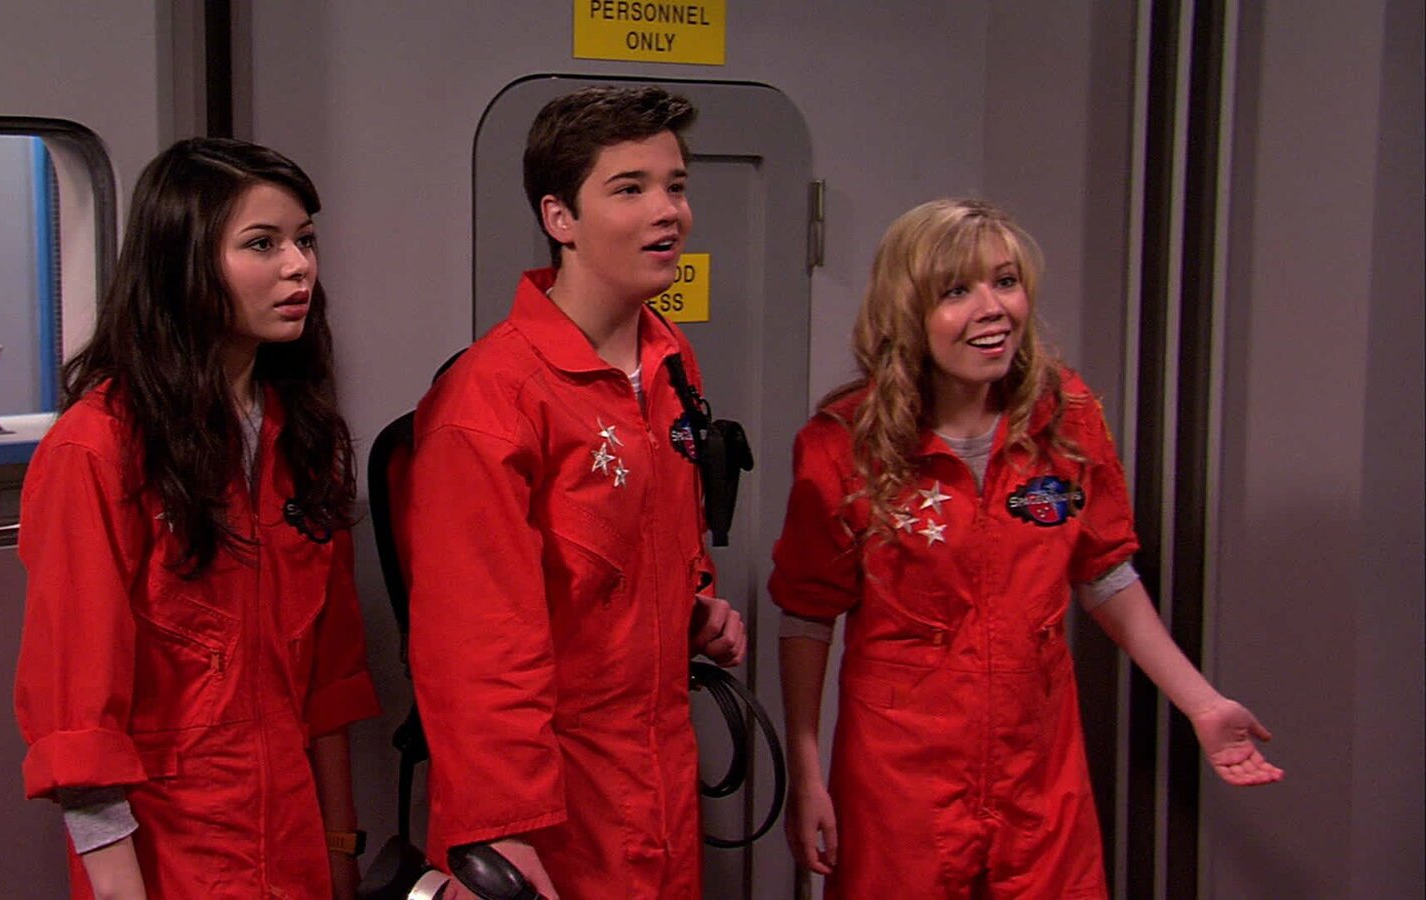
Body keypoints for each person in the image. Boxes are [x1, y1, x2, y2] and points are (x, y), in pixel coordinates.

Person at [771, 198, 1284, 898]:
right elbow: (807, 615)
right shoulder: (843, 444)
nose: (993, 309)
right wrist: (807, 775)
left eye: (1006, 282)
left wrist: (1200, 703)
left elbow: (1105, 574)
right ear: (907, 311)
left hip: (1038, 771)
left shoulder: (1065, 418)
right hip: (902, 780)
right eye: (957, 291)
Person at [13, 137, 382, 899]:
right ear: (183, 261)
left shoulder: (300, 437)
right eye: (262, 244)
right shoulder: (99, 447)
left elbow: (329, 680)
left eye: (305, 241)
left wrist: (340, 850)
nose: (298, 267)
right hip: (172, 849)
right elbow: (76, 708)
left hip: (292, 840)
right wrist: (118, 887)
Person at [403, 85, 746, 899]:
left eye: (675, 186)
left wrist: (692, 607)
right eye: (629, 188)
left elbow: (647, 543)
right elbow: (475, 651)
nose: (667, 212)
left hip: (657, 775)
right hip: (551, 805)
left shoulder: (670, 363)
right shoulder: (492, 400)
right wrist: (501, 832)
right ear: (560, 218)